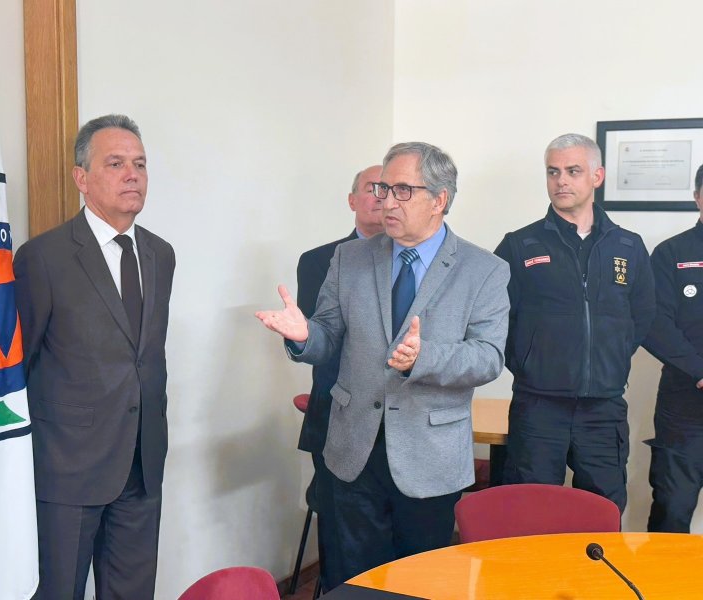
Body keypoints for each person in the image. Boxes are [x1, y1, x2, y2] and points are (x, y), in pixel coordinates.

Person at [257, 142, 509, 582]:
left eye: (403, 190)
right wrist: (305, 336)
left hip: (428, 456)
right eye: (383, 188)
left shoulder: (483, 269)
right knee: (352, 579)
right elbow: (328, 336)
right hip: (353, 449)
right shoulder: (350, 257)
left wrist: (424, 357)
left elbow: (488, 357)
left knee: (420, 581)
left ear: (440, 200)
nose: (387, 201)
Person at [14, 114, 176, 599]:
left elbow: (143, 356)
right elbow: (18, 364)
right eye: (116, 163)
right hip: (67, 466)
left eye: (140, 164)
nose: (132, 175)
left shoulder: (160, 254)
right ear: (81, 178)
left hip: (141, 461)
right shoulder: (43, 258)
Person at [495, 133, 655, 512]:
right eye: (553, 172)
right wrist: (529, 362)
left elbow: (642, 316)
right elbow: (495, 319)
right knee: (530, 514)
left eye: (573, 171)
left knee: (602, 513)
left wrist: (608, 357)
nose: (561, 181)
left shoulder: (628, 246)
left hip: (603, 409)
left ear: (597, 176)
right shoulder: (520, 245)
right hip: (538, 407)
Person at [296, 165, 383, 590]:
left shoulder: (414, 262)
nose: (381, 196)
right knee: (339, 538)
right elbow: (323, 340)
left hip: (395, 421)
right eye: (372, 188)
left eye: (390, 188)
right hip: (337, 414)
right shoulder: (320, 261)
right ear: (352, 200)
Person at [642, 164, 703, 532]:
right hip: (686, 407)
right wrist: (699, 371)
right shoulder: (671, 253)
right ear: (697, 197)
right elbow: (653, 323)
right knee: (672, 509)